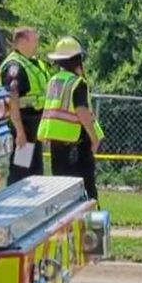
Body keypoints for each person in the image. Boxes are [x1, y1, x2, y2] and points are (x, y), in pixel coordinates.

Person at [37, 36, 104, 202]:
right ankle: (90, 224)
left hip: (56, 143)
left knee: (61, 189)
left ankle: (65, 226)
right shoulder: (77, 83)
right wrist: (94, 139)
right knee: (85, 189)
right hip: (76, 144)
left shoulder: (54, 81)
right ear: (77, 59)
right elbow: (81, 112)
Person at [0, 26, 52, 184]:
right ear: (23, 41)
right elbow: (13, 99)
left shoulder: (33, 63)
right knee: (21, 171)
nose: (37, 43)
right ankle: (16, 202)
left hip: (35, 126)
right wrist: (20, 132)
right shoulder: (15, 66)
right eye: (34, 40)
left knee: (36, 171)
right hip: (24, 125)